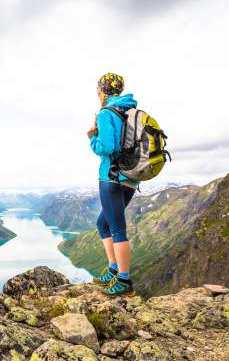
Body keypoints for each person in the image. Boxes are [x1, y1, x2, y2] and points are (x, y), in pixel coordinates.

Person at [86, 72, 139, 296]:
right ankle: (113, 268)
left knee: (117, 229)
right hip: (130, 177)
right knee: (103, 224)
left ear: (102, 90)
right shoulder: (129, 110)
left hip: (111, 176)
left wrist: (92, 138)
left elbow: (106, 147)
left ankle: (123, 281)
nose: (97, 93)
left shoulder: (106, 113)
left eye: (98, 89)